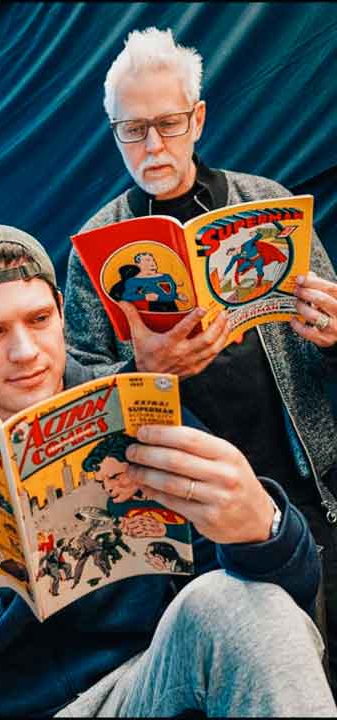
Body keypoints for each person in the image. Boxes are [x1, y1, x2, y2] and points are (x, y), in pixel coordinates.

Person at [0, 224, 332, 716]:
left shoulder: (139, 406)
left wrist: (262, 531)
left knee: (240, 604)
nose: (25, 352)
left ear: (60, 311)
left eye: (38, 319)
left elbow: (285, 598)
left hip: (139, 691)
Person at [63, 26, 337, 679]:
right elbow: (79, 398)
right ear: (113, 130)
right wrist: (144, 372)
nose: (152, 144)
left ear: (199, 118)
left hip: (304, 486)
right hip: (178, 511)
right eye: (132, 129)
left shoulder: (265, 201)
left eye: (167, 122)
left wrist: (334, 334)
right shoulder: (94, 245)